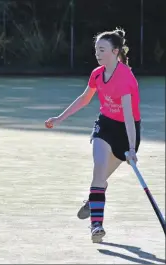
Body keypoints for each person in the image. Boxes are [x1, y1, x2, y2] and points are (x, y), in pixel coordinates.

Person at [45, 28, 141, 243]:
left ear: (115, 51)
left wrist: (132, 149)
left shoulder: (125, 77)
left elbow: (128, 117)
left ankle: (93, 199)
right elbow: (84, 99)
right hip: (105, 127)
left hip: (126, 131)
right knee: (99, 172)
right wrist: (60, 119)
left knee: (101, 179)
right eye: (96, 49)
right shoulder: (97, 74)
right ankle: (96, 226)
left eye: (102, 49)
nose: (97, 53)